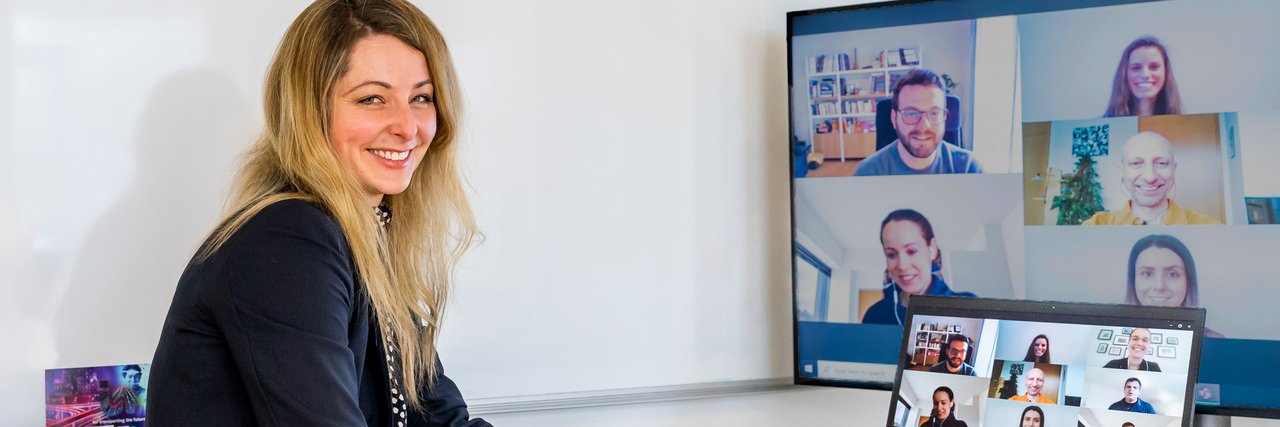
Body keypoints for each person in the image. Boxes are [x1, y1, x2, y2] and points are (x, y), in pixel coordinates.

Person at [146, 1, 490, 425]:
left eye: (421, 97)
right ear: (311, 113)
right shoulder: (289, 237)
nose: (407, 126)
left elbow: (435, 414)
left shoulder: (364, 237)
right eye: (372, 99)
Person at [854, 69, 982, 176]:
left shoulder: (968, 169)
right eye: (911, 113)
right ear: (894, 118)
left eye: (933, 113)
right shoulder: (869, 173)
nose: (923, 126)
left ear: (944, 117)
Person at [863, 209, 976, 325]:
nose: (902, 266)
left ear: (932, 249)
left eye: (912, 251)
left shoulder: (968, 307)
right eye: (891, 254)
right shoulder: (875, 315)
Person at [1082, 131, 1219, 225]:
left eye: (1161, 163)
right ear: (1122, 171)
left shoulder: (1208, 226)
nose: (1150, 177)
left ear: (1174, 169)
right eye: (1136, 163)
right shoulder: (1097, 225)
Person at [1125, 234, 1224, 338]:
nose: (1159, 286)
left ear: (1188, 281)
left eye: (1173, 274)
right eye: (1147, 274)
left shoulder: (1215, 340)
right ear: (1133, 280)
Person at [1104, 36, 1182, 117]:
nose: (1145, 75)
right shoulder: (1101, 126)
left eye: (1154, 67)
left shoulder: (1185, 127)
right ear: (1124, 74)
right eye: (1136, 68)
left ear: (1166, 72)